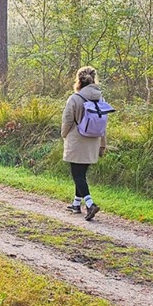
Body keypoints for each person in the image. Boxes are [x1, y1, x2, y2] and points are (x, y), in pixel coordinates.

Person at [61, 66, 108, 220]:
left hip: (77, 140)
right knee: (82, 174)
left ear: (78, 80)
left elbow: (67, 120)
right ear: (94, 80)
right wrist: (102, 144)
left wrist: (64, 135)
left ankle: (90, 204)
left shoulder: (75, 98)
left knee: (77, 175)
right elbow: (103, 125)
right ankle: (76, 204)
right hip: (94, 141)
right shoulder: (101, 100)